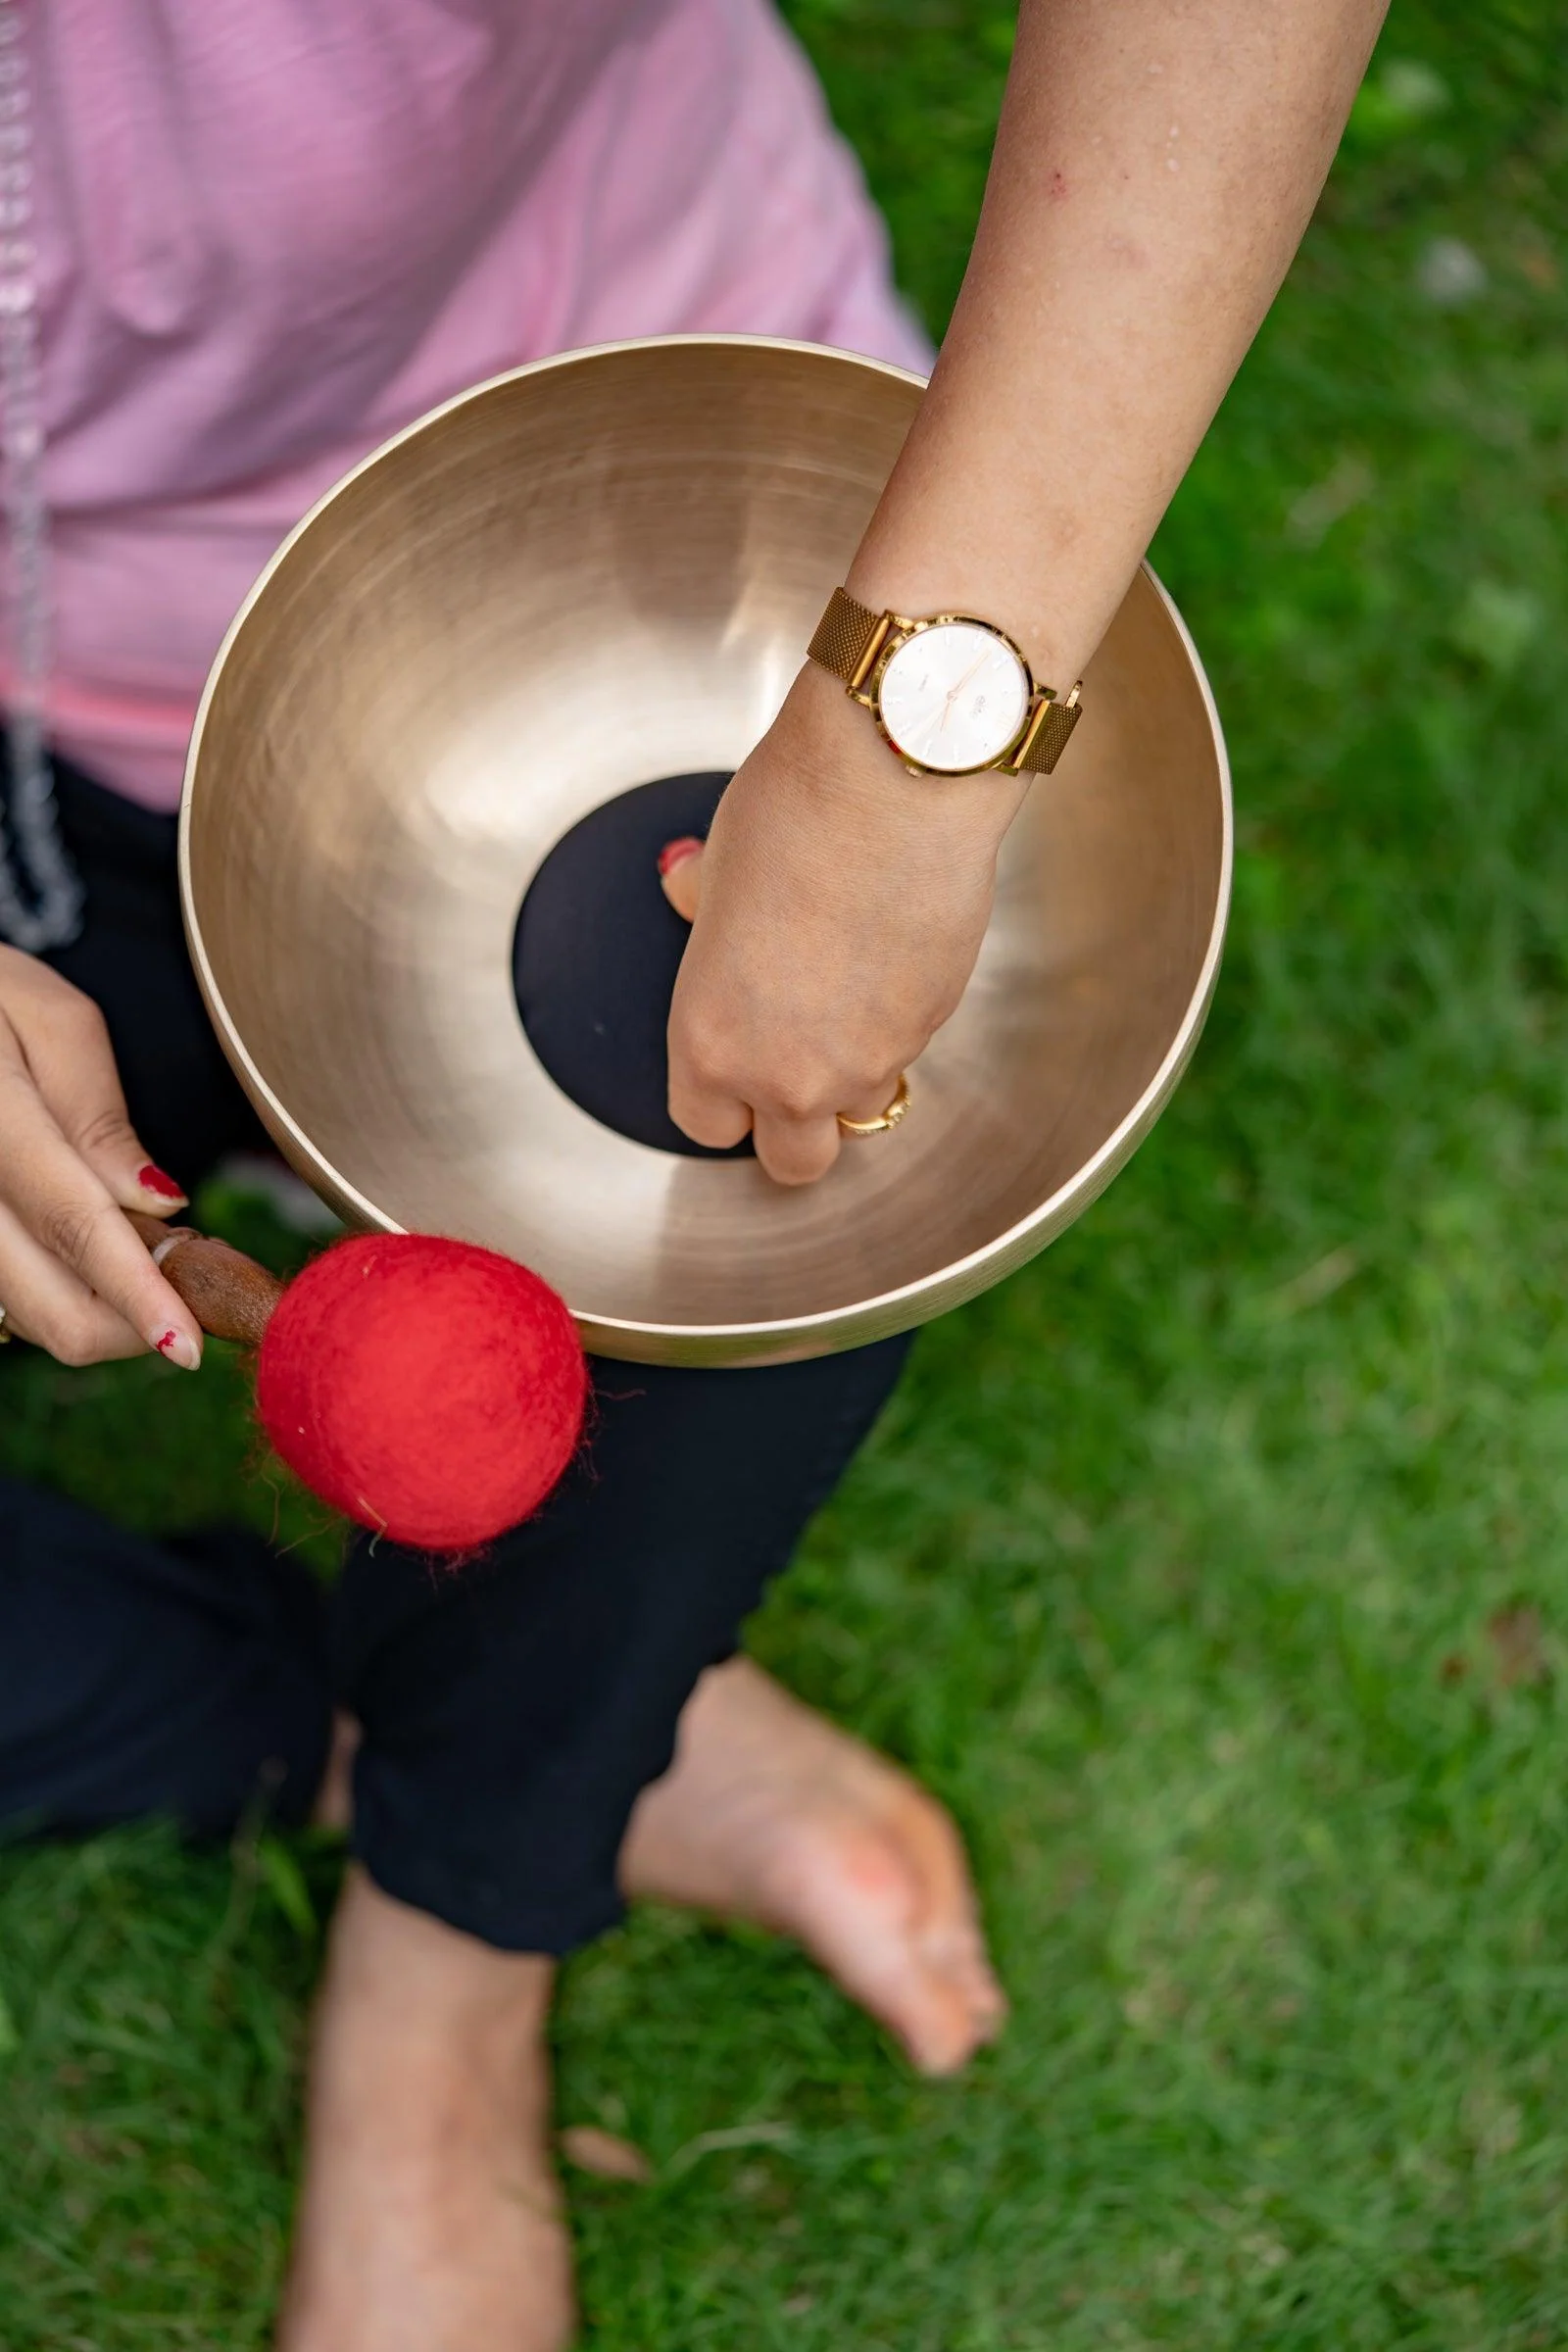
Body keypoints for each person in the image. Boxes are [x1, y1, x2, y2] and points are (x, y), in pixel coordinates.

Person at [0, 1, 1385, 2343]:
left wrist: (911, 728)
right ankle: (438, 1733)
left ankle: (455, 1940)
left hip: (609, 541)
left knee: (754, 1187)